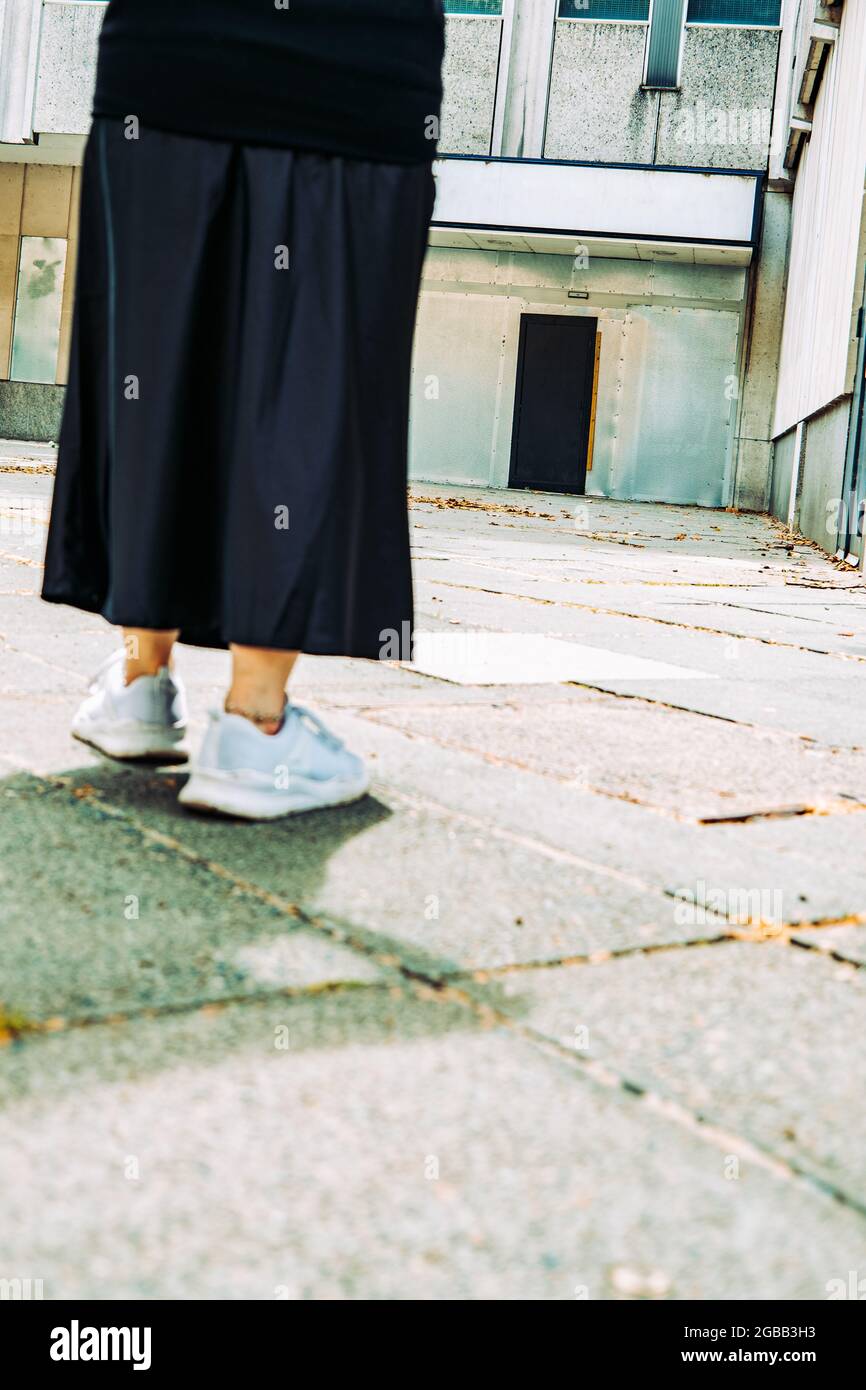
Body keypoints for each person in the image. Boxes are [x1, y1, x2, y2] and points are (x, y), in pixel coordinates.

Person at [42, 0, 444, 821]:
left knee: (152, 371)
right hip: (348, 66)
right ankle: (255, 725)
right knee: (309, 377)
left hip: (167, 56)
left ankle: (139, 682)